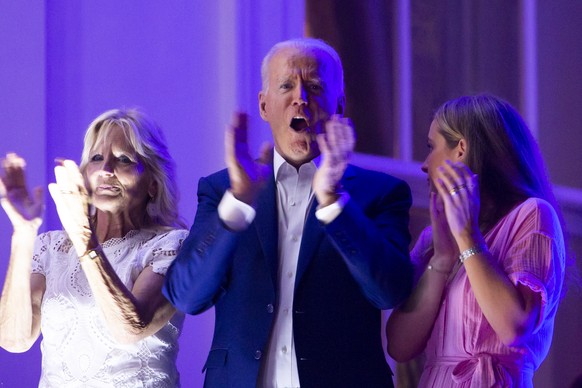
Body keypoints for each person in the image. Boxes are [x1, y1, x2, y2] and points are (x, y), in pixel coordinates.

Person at [163, 37, 413, 387]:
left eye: (314, 86)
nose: (301, 98)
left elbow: (389, 291)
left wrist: (333, 201)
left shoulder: (381, 194)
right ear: (264, 106)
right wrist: (238, 202)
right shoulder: (221, 190)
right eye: (286, 86)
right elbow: (187, 296)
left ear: (339, 105)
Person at [386, 94, 567, 387]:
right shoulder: (434, 238)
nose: (424, 164)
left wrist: (467, 235)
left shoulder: (532, 215)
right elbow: (399, 346)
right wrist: (442, 260)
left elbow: (513, 327)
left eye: (431, 147)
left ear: (461, 149)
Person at [0, 109, 188, 387]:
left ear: (153, 182)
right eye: (97, 158)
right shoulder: (50, 247)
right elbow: (13, 339)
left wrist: (84, 238)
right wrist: (24, 232)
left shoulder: (170, 245)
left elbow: (131, 328)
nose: (105, 171)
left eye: (124, 159)